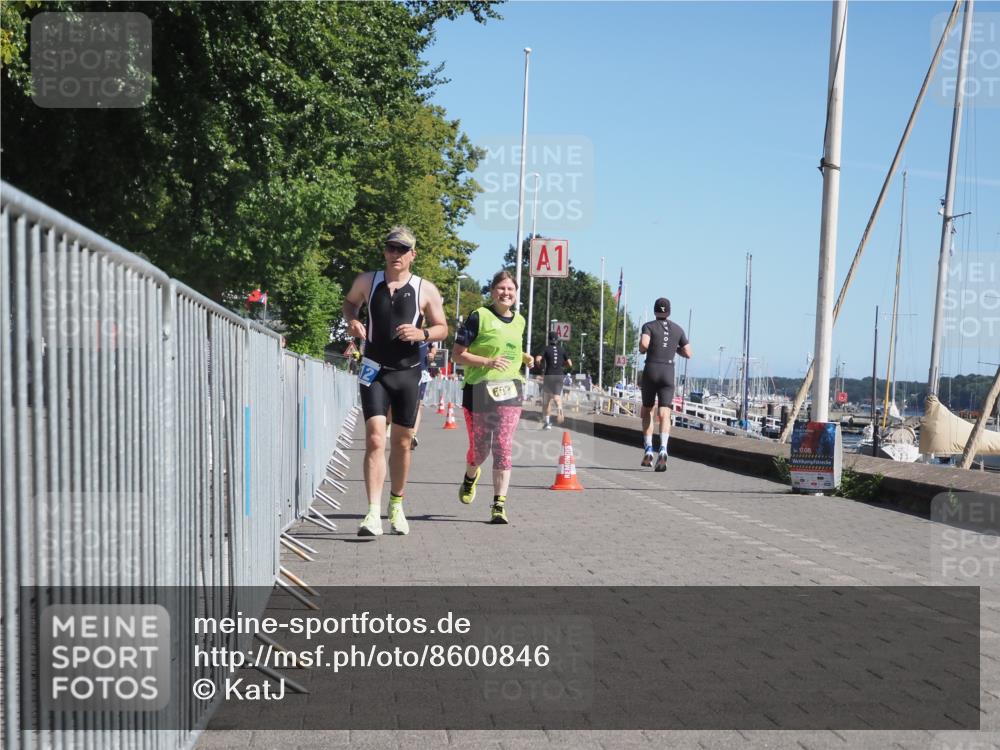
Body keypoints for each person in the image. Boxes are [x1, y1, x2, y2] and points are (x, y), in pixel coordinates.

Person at [342, 226, 448, 537]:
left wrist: (422, 333)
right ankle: (372, 512)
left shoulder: (425, 289)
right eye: (391, 248)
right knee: (375, 438)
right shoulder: (367, 281)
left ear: (413, 254)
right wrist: (352, 320)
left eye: (402, 249)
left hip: (407, 373)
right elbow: (350, 303)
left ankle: (396, 504)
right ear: (385, 251)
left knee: (402, 442)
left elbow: (442, 327)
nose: (395, 254)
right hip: (374, 370)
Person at [452, 270, 530, 524]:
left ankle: (498, 505)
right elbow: (457, 354)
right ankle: (470, 476)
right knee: (480, 449)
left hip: (510, 389)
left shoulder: (520, 321)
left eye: (511, 289)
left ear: (516, 293)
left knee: (503, 446)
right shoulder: (479, 316)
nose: (506, 293)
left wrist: (524, 357)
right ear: (492, 291)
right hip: (479, 389)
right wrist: (488, 361)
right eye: (501, 288)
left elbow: (509, 348)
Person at [638, 297, 692, 472]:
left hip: (651, 369)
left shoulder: (648, 326)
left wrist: (642, 349)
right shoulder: (678, 329)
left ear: (655, 310)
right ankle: (663, 448)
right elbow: (688, 352)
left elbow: (644, 344)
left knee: (648, 410)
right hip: (668, 371)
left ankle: (648, 448)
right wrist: (674, 348)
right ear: (669, 311)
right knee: (665, 412)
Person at [535, 331, 572, 429]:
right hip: (559, 376)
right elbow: (570, 363)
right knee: (557, 396)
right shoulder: (562, 349)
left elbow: (538, 359)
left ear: (549, 339)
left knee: (547, 400)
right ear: (557, 340)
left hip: (549, 375)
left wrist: (539, 366)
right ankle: (559, 408)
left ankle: (547, 423)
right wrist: (563, 365)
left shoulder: (546, 348)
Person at [410, 341, 437, 449]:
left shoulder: (428, 334)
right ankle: (388, 425)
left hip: (422, 371)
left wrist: (432, 354)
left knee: (418, 404)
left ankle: (413, 435)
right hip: (405, 370)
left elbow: (433, 347)